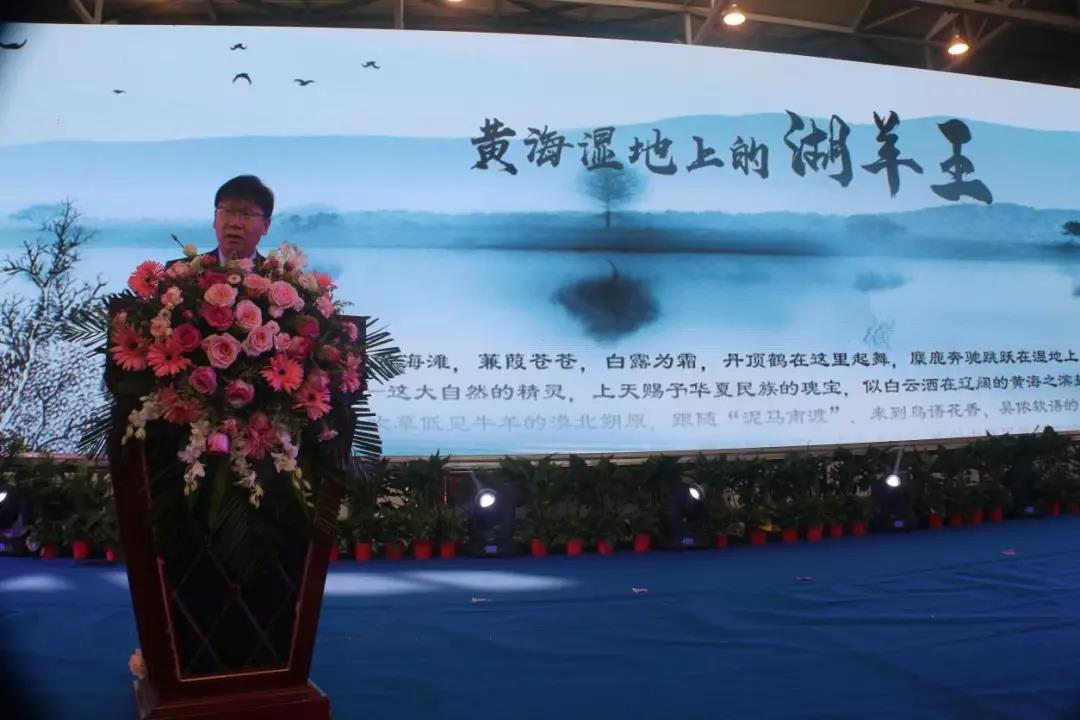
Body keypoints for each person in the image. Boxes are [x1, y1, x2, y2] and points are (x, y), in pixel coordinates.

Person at [207, 174, 274, 263]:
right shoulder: (189, 269)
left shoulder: (279, 271)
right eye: (228, 211)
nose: (235, 223)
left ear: (265, 226)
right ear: (215, 218)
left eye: (246, 214)